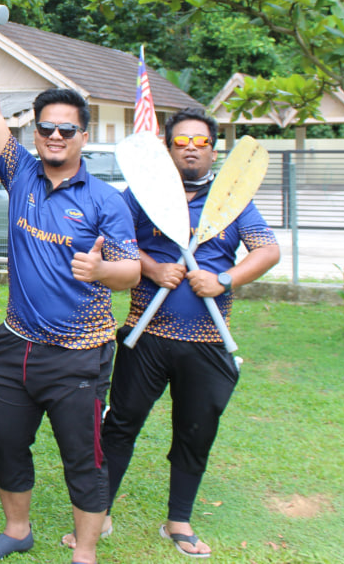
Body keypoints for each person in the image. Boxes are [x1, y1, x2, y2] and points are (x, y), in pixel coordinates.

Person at [0, 11, 140, 564]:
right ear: (35, 133)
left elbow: (131, 272)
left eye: (67, 129)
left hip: (77, 354)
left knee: (83, 458)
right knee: (6, 443)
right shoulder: (20, 173)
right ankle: (17, 530)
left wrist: (100, 272)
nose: (56, 136)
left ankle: (84, 552)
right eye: (47, 128)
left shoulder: (105, 200)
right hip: (14, 343)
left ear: (83, 136)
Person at [95, 108, 280, 558]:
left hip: (209, 344)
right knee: (120, 425)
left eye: (201, 142)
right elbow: (114, 240)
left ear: (213, 150)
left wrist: (223, 280)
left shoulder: (232, 199)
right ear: (168, 148)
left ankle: (178, 521)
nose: (191, 149)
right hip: (145, 335)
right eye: (181, 141)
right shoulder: (144, 195)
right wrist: (152, 268)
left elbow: (267, 250)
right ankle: (98, 513)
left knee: (195, 433)